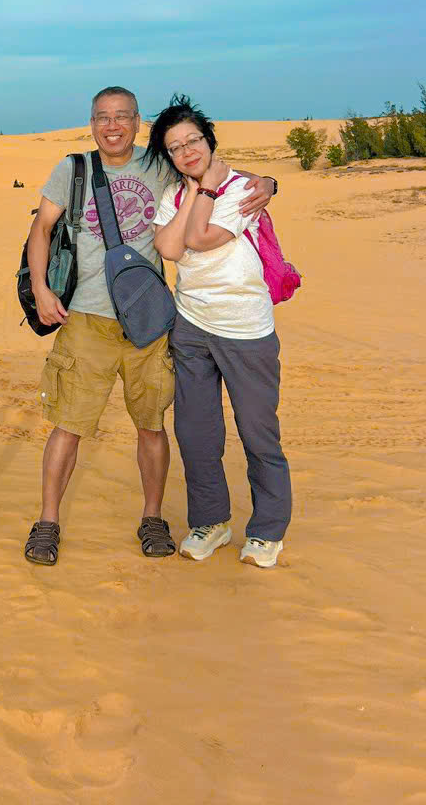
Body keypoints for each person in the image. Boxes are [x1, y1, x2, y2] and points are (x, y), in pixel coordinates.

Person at [23, 86, 275, 566]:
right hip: (85, 320)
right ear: (91, 123)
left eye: (122, 116)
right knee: (68, 426)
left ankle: (153, 518)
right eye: (103, 117)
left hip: (149, 323)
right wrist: (40, 287)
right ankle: (47, 521)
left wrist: (268, 181)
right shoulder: (72, 169)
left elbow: (216, 171)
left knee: (151, 426)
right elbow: (42, 229)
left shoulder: (160, 165)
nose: (112, 126)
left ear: (137, 122)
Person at [150, 96, 291, 568]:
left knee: (257, 433)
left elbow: (201, 239)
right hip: (191, 325)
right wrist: (194, 193)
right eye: (175, 147)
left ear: (210, 141)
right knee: (196, 433)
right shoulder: (175, 195)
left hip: (244, 329)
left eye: (193, 140)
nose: (186, 151)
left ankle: (267, 530)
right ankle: (211, 522)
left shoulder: (244, 189)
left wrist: (208, 189)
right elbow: (170, 248)